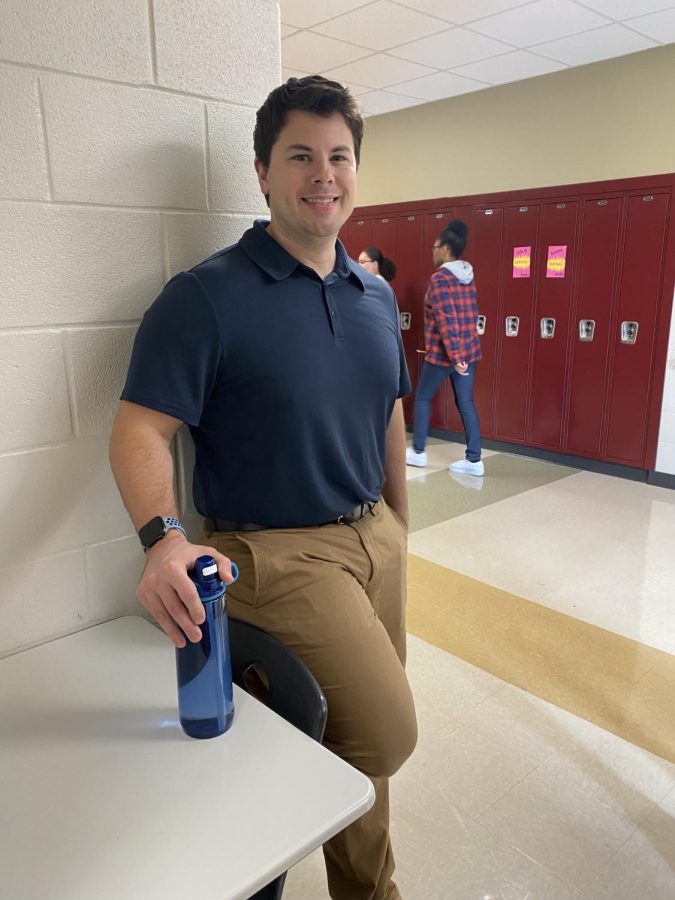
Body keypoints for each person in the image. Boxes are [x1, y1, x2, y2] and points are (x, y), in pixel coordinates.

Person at [109, 75, 417, 900]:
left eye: (339, 156)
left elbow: (388, 405)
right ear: (263, 172)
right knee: (383, 736)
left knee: (357, 748)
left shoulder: (375, 295)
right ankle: (256, 843)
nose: (324, 173)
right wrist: (162, 537)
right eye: (301, 156)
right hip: (277, 554)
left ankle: (368, 891)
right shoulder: (207, 296)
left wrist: (397, 521)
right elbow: (140, 429)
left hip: (373, 542)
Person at [406, 219, 484, 476]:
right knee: (466, 402)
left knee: (423, 397)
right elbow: (469, 317)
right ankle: (474, 460)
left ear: (446, 248)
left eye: (435, 246)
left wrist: (456, 356)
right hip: (468, 352)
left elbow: (446, 319)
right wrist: (463, 356)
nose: (433, 251)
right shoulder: (467, 276)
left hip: (443, 356)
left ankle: (418, 452)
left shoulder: (440, 279)